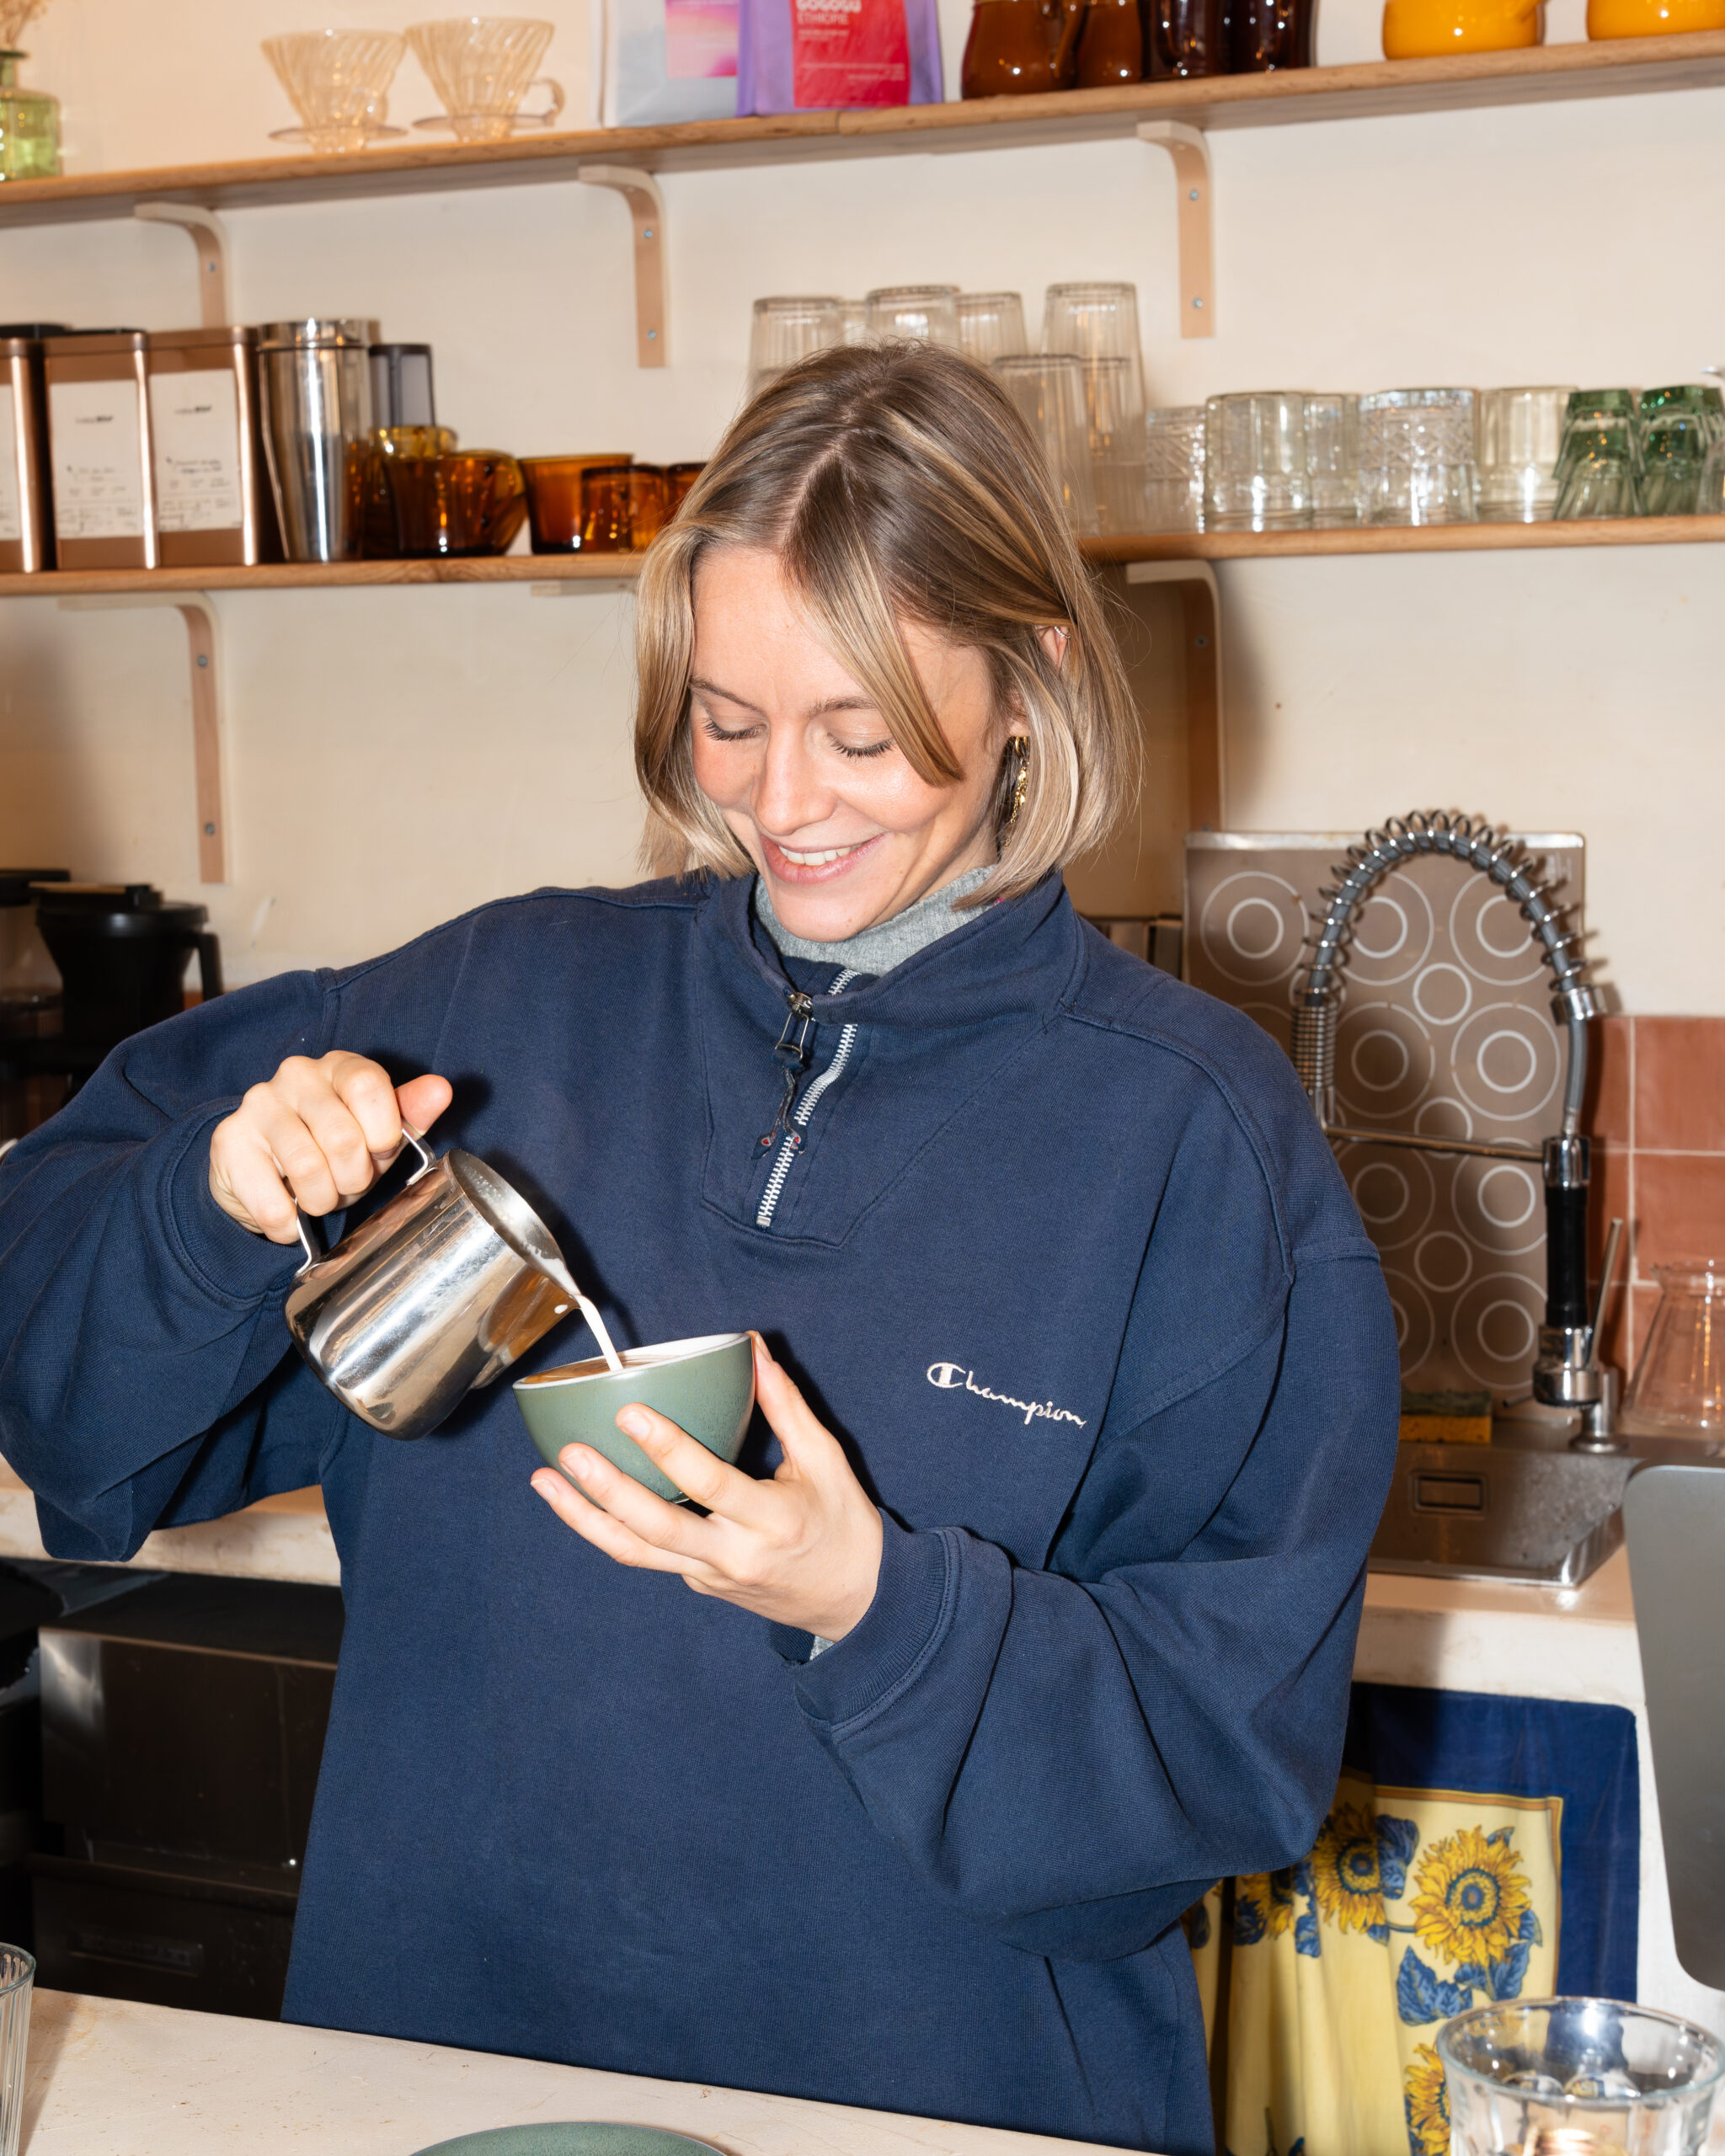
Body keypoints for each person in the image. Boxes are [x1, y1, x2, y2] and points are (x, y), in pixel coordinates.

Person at [0, 344, 1398, 2156]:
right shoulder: (493, 1006)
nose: (782, 801)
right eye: (725, 720)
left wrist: (873, 1606)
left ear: (1037, 681)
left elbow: (1223, 1753)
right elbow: (66, 1397)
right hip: (440, 2087)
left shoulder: (1189, 1136)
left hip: (947, 2108)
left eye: (863, 729)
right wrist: (213, 1197)